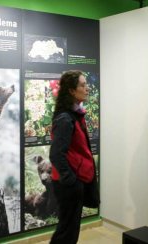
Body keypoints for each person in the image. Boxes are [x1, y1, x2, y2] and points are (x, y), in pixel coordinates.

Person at [49, 70, 99, 244]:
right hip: (69, 184)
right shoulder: (65, 118)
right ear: (71, 90)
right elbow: (56, 154)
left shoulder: (74, 115)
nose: (87, 88)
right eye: (83, 85)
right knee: (67, 233)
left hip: (73, 181)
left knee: (69, 230)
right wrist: (71, 179)